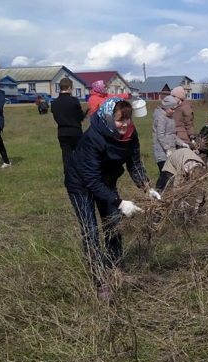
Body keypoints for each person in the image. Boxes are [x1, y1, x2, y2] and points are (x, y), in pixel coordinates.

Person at [64, 98, 161, 300]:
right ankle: (100, 281)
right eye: (120, 120)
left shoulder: (130, 134)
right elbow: (91, 179)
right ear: (109, 118)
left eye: (128, 118)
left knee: (114, 226)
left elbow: (134, 163)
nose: (125, 124)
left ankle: (116, 270)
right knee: (90, 231)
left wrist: (146, 188)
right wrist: (119, 202)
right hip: (81, 185)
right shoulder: (93, 137)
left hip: (106, 181)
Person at [51, 77, 87, 175]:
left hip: (62, 132)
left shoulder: (54, 103)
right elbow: (79, 116)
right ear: (70, 88)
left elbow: (56, 117)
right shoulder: (74, 100)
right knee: (79, 155)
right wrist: (84, 114)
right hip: (75, 131)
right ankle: (81, 174)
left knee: (66, 155)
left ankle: (69, 175)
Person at [151, 95, 184, 191]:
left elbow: (172, 135)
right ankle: (157, 193)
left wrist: (182, 143)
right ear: (166, 107)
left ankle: (167, 193)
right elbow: (160, 136)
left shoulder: (169, 118)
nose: (174, 111)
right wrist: (167, 149)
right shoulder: (161, 118)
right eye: (172, 109)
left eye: (175, 109)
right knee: (164, 173)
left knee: (170, 174)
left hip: (169, 150)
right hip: (160, 151)